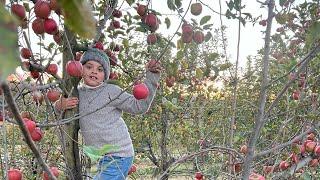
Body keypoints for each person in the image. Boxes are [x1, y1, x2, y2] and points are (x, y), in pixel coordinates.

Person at [55, 47, 161, 179]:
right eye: (89, 67)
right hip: (95, 157)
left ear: (105, 75)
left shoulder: (112, 91)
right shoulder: (77, 93)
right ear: (80, 69)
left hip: (118, 155)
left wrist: (151, 79)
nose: (94, 71)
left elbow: (139, 106)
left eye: (100, 69)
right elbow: (59, 116)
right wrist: (60, 105)